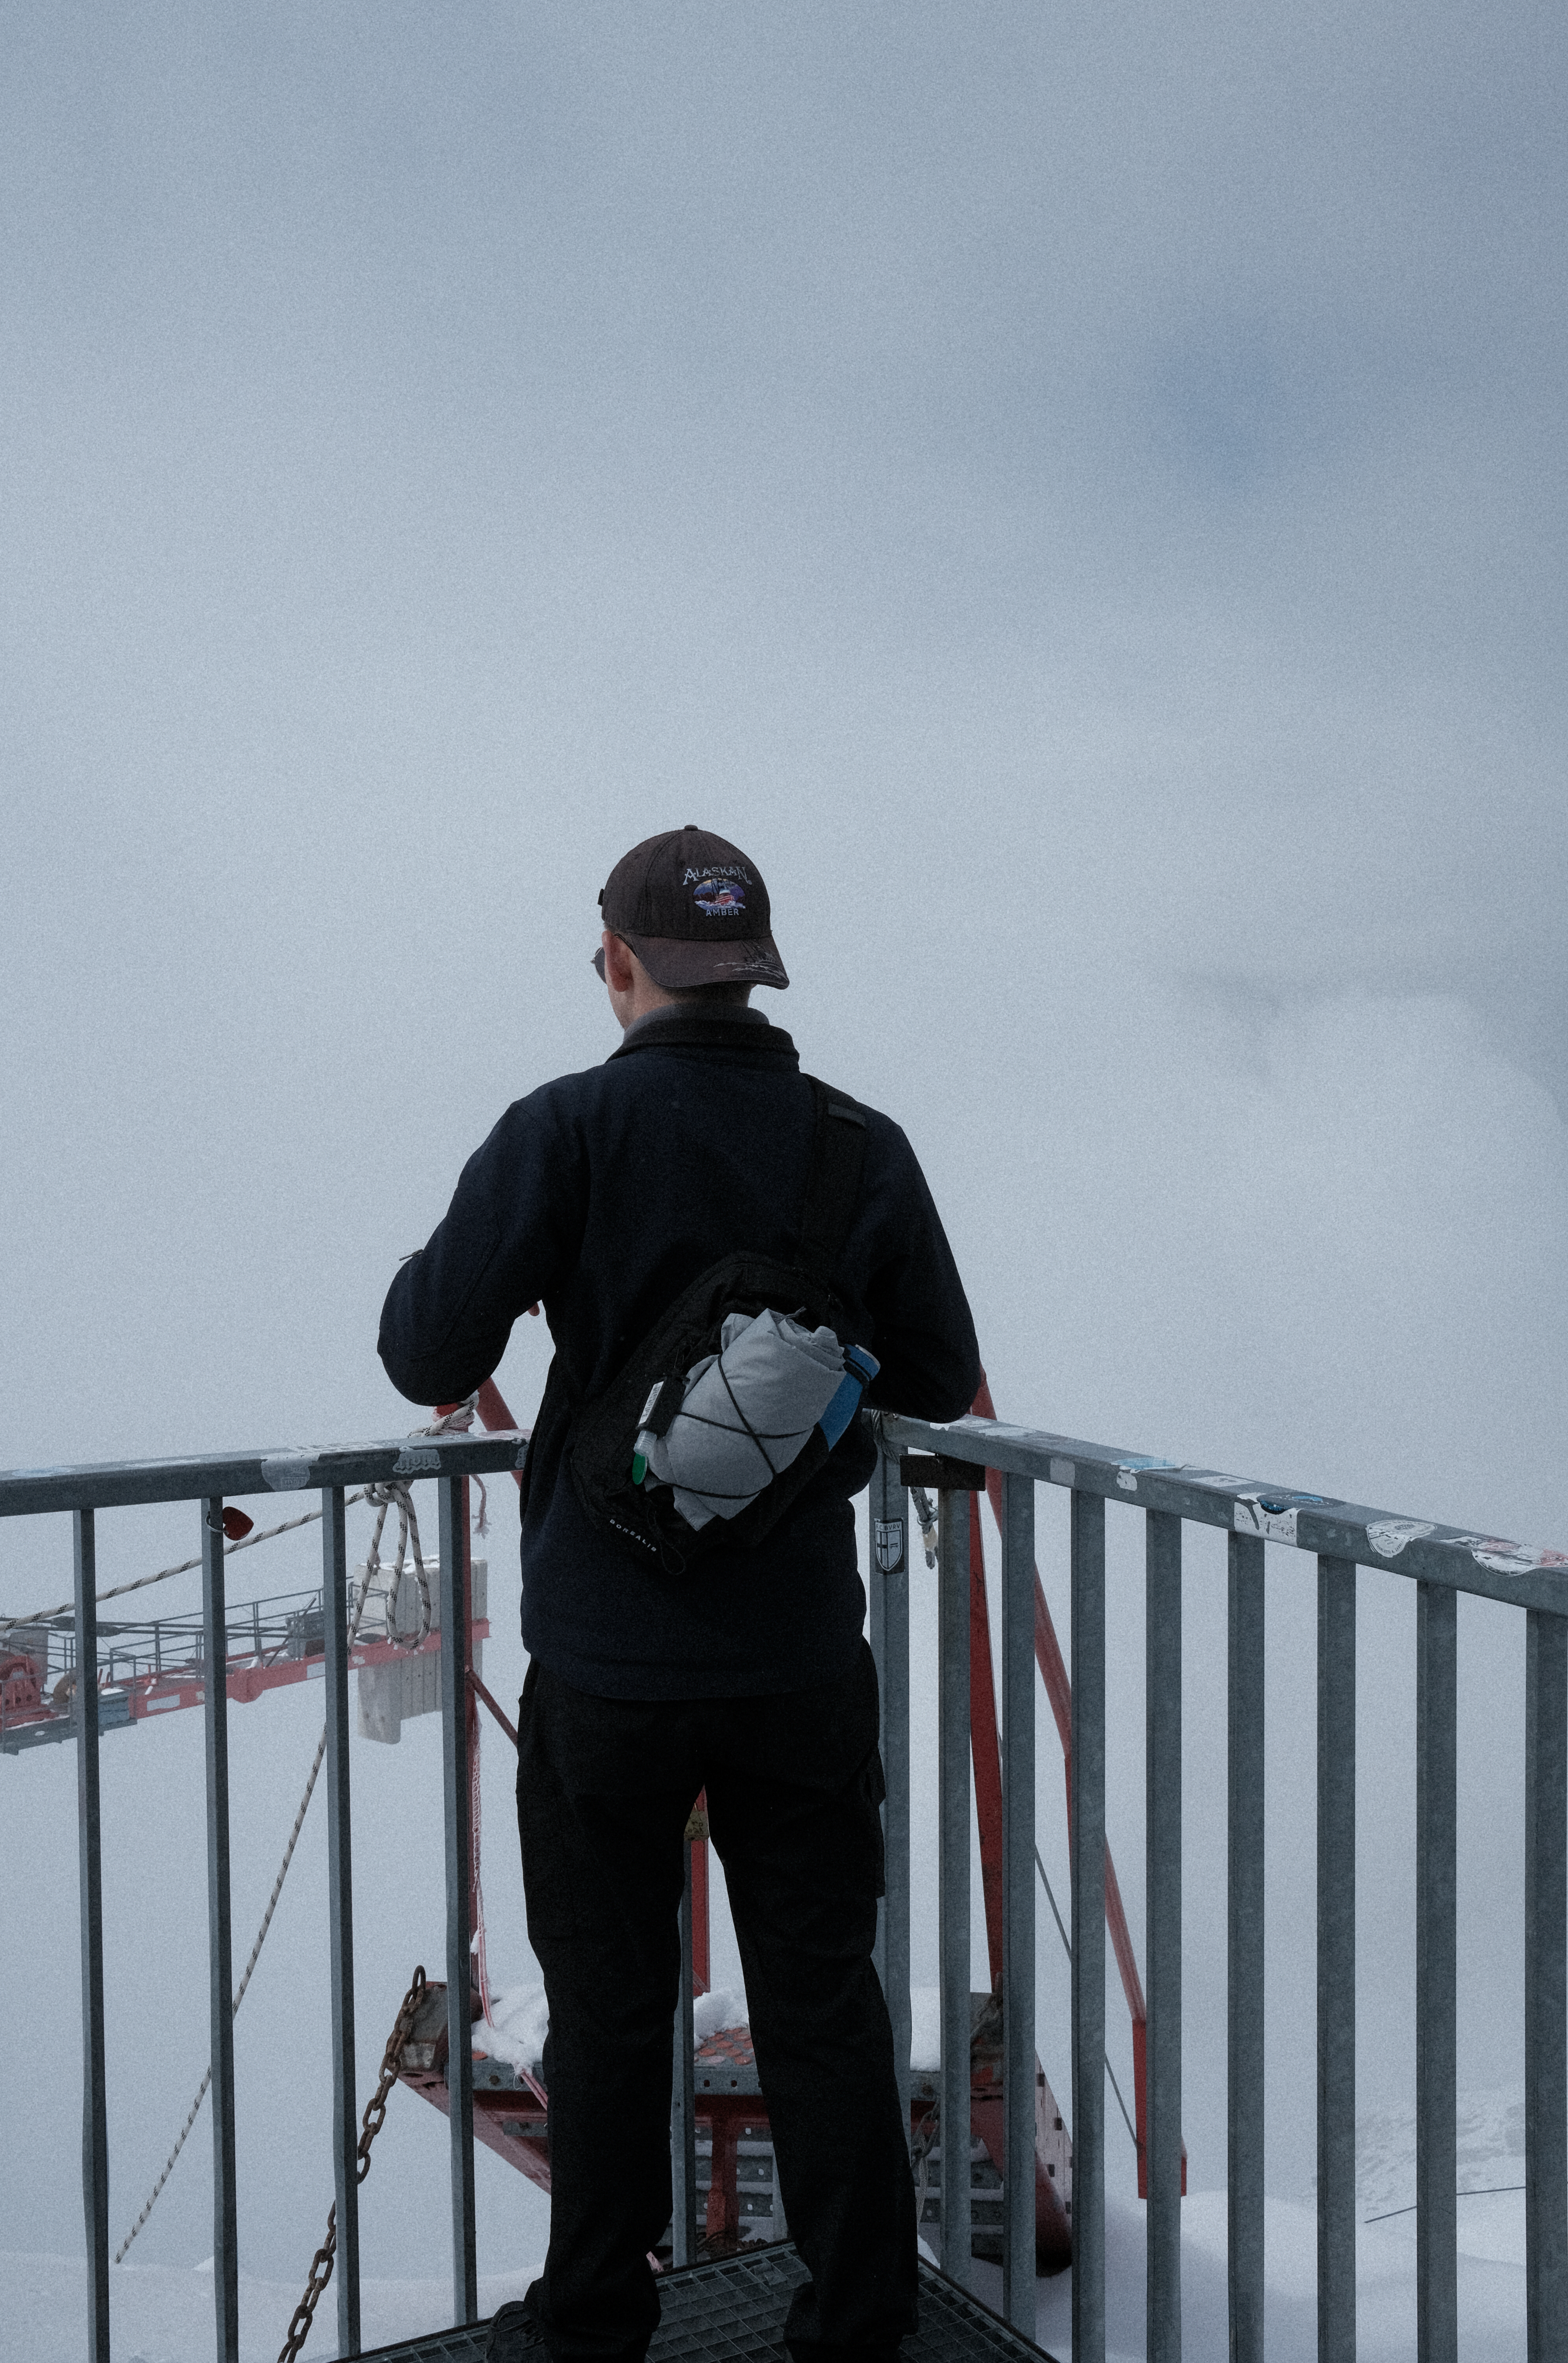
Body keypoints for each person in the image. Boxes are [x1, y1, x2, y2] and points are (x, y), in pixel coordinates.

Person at [378, 827, 981, 2363]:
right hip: (793, 1656)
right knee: (821, 1997)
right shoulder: (863, 1145)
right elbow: (929, 1379)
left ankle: (592, 2315)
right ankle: (854, 2319)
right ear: (757, 972)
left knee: (611, 1999)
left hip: (607, 1657)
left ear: (617, 968)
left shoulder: (565, 1129)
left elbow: (427, 1348)